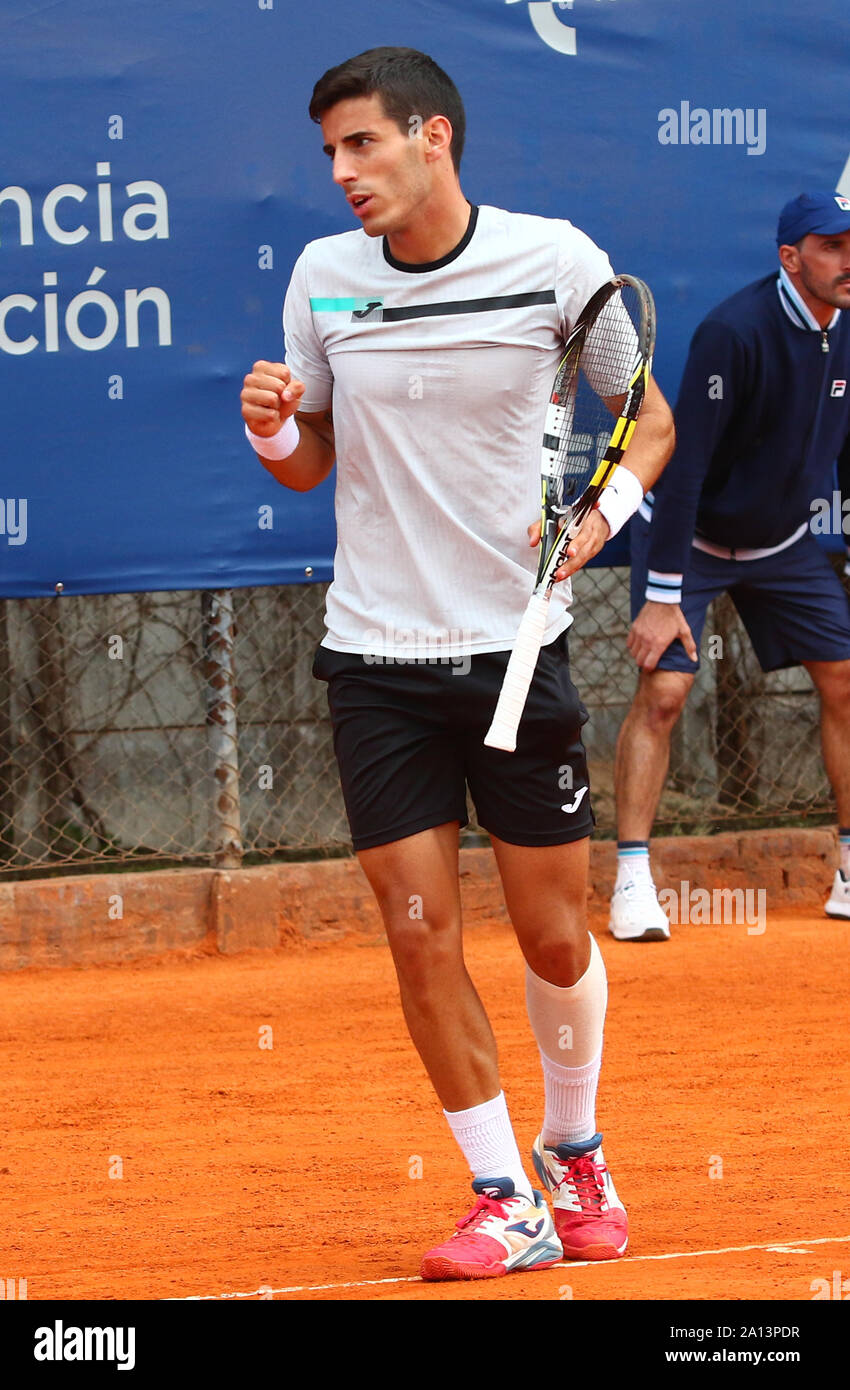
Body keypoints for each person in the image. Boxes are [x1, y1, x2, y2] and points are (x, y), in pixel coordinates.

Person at [241, 47, 674, 1279]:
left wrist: (598, 524)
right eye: (328, 151)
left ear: (432, 137)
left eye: (361, 143)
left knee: (550, 938)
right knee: (417, 927)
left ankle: (574, 1142)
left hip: (512, 652)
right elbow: (309, 457)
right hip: (373, 652)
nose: (340, 173)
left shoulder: (552, 262)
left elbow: (644, 420)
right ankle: (503, 1195)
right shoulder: (323, 277)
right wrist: (273, 427)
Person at [610, 192, 850, 943]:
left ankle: (848, 868)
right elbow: (683, 470)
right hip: (695, 536)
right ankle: (632, 880)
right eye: (834, 246)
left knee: (846, 679)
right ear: (790, 257)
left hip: (782, 543)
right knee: (667, 692)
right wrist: (662, 595)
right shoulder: (733, 332)